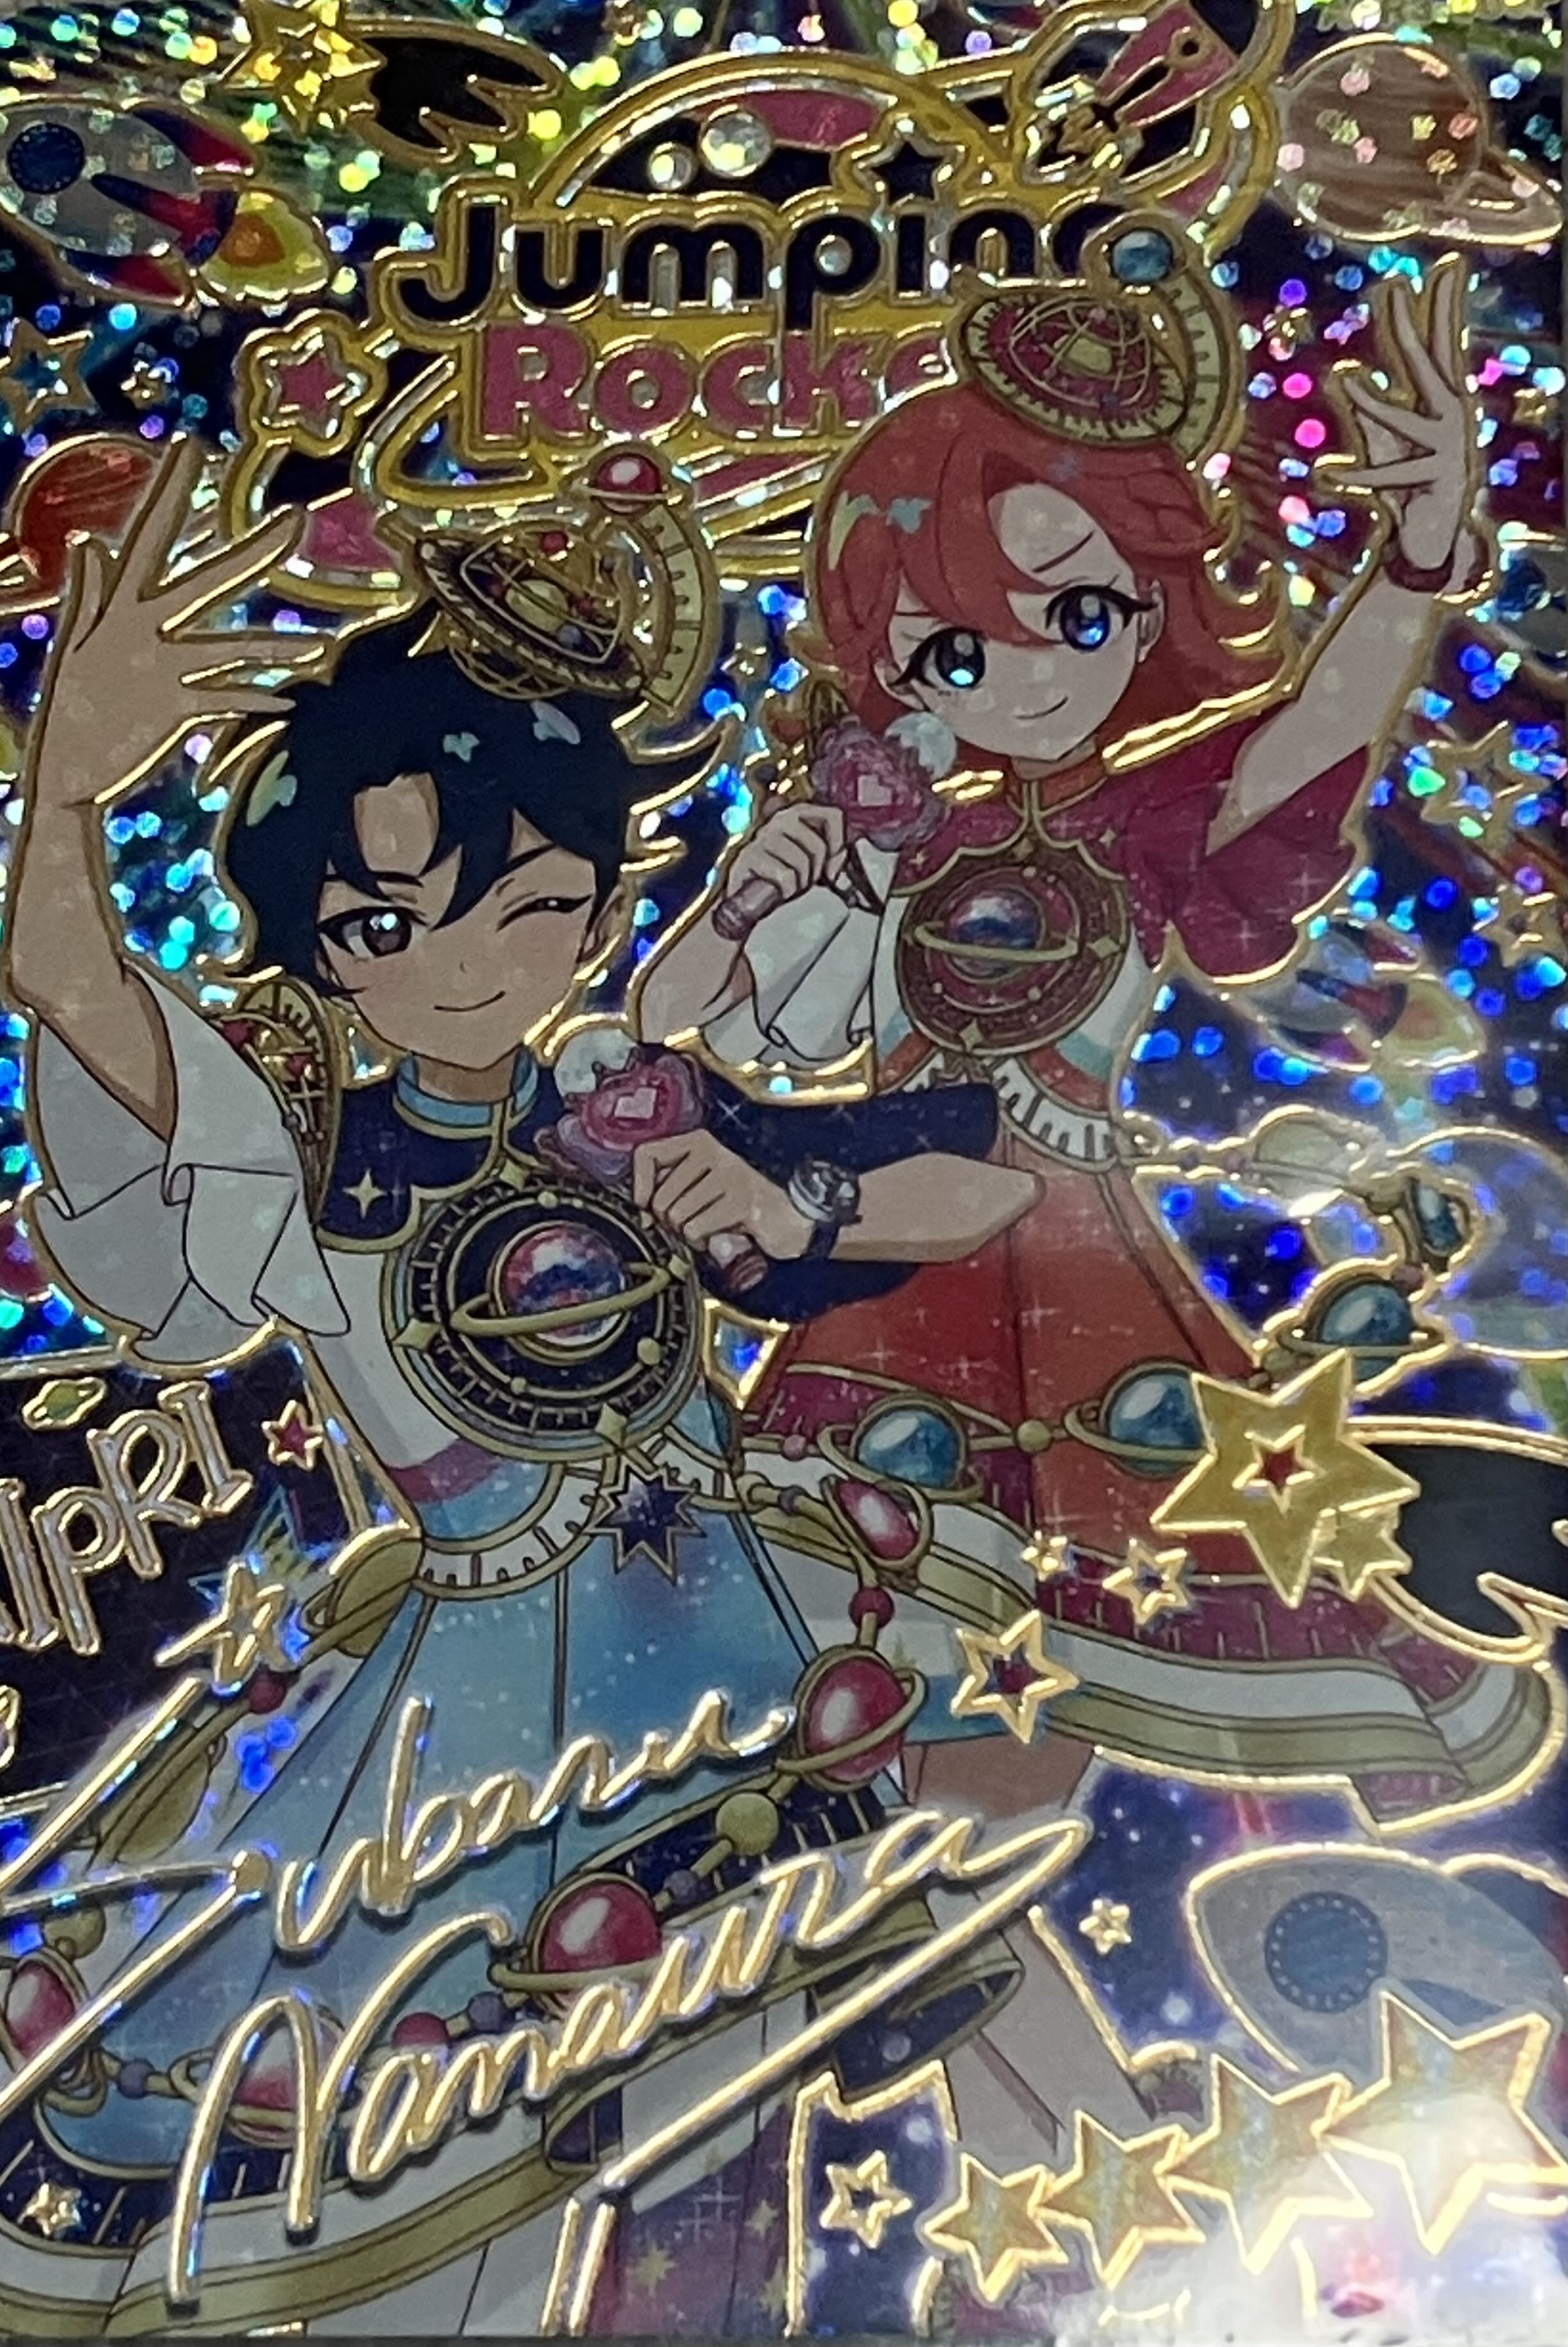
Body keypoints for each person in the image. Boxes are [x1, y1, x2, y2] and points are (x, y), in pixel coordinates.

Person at [1, 443, 1066, 2329]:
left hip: (746, 1662)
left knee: (775, 2114)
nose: (460, 966)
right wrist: (67, 791)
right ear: (319, 944)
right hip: (489, 1729)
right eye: (384, 924)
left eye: (526, 908)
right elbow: (73, 994)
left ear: (589, 914)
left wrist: (787, 1198)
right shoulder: (302, 1166)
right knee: (459, 2184)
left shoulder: (634, 1105)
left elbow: (983, 1183)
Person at [635, 235, 1553, 1831]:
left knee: (1072, 1628)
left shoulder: (1138, 823)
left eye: (1077, 612)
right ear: (890, 659)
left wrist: (1412, 557)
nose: (1022, 676)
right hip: (881, 1255)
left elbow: (1316, 728)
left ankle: (953, 1914)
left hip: (1064, 1258)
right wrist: (743, 893)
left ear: (1149, 605)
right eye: (953, 648)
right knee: (857, 1642)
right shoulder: (885, 837)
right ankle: (896, 1912)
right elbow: (671, 1021)